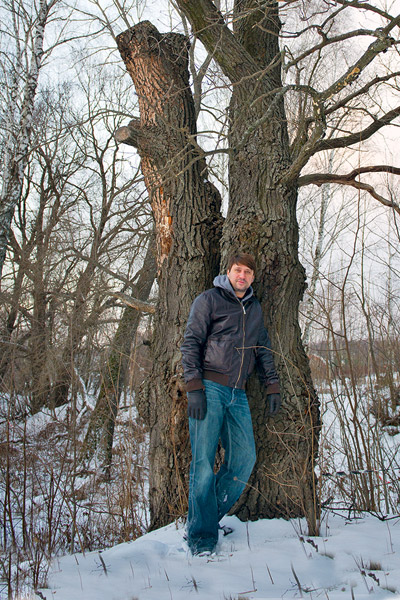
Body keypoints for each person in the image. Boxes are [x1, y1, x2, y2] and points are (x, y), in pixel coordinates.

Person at [180, 253, 281, 556]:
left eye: (248, 272)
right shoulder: (209, 299)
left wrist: (272, 384)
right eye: (238, 270)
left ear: (252, 277)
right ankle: (201, 537)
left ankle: (205, 518)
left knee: (244, 460)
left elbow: (262, 348)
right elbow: (191, 342)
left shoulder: (254, 308)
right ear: (228, 272)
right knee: (203, 463)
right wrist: (194, 386)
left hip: (238, 394)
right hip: (209, 388)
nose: (243, 275)